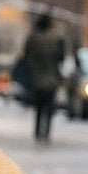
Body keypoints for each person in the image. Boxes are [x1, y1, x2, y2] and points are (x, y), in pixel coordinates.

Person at [23, 14, 66, 142]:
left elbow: (26, 55)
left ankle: (37, 131)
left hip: (36, 77)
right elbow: (61, 57)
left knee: (39, 107)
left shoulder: (33, 37)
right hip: (52, 77)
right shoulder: (57, 37)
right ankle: (46, 132)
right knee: (49, 106)